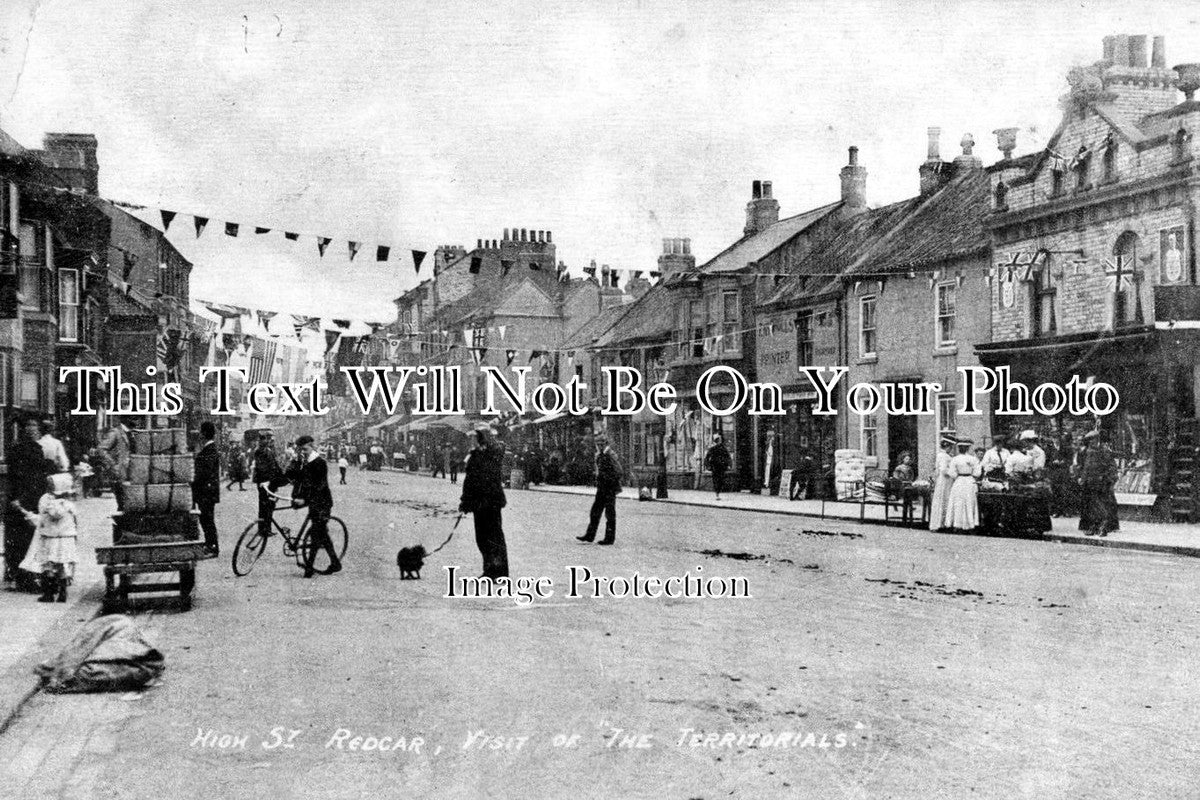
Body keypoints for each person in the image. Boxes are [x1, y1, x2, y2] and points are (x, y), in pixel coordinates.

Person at [6, 417, 55, 591]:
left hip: (28, 499)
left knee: (25, 540)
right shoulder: (22, 450)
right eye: (28, 426)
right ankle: (23, 578)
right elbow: (20, 477)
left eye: (34, 426)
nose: (32, 430)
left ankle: (23, 576)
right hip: (23, 499)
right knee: (23, 540)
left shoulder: (36, 449)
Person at [282, 435, 342, 578]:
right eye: (300, 450)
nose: (303, 452)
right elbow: (291, 476)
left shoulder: (320, 462)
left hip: (322, 503)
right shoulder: (303, 461)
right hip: (313, 503)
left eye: (305, 449)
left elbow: (319, 486)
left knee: (316, 535)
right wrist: (270, 483)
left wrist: (305, 500)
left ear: (312, 446)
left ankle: (309, 568)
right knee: (322, 535)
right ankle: (335, 563)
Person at [17, 474, 79, 603]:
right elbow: (74, 522)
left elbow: (41, 520)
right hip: (66, 538)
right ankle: (62, 592)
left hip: (50, 538)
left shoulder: (48, 503)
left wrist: (26, 513)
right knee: (62, 565)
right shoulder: (70, 505)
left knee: (48, 565)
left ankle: (48, 594)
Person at [459, 423, 509, 579]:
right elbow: (469, 480)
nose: (476, 439)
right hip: (479, 503)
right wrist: (465, 500)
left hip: (490, 502)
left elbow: (482, 477)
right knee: (482, 538)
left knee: (494, 538)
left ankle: (499, 572)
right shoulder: (477, 454)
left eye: (478, 436)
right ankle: (489, 569)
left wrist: (483, 448)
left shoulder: (492, 453)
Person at [578, 434, 622, 545]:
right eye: (598, 444)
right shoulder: (599, 455)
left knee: (610, 513)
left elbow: (619, 471)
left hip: (609, 488)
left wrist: (609, 480)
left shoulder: (610, 455)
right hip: (602, 488)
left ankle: (609, 538)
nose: (599, 446)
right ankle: (590, 535)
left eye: (601, 444)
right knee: (595, 512)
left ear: (605, 444)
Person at [1079, 429, 1120, 537]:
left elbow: (1111, 467)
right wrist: (1083, 479)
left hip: (1102, 483)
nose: (1091, 443)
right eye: (1089, 441)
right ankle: (1094, 527)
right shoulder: (1088, 452)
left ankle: (1103, 527)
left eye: (1092, 440)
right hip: (1090, 483)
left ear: (1097, 439)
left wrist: (1109, 480)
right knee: (1092, 506)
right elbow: (1086, 468)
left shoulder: (1104, 451)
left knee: (1101, 506)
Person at [193, 422, 221, 556]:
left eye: (200, 432)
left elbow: (205, 472)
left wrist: (194, 480)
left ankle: (213, 547)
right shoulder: (208, 449)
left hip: (207, 492)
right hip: (207, 492)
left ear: (204, 434)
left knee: (207, 520)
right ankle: (209, 543)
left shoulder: (209, 450)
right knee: (205, 519)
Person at [945, 438, 981, 532]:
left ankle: (957, 524)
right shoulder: (973, 459)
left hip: (959, 481)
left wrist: (957, 475)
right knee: (969, 501)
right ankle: (969, 524)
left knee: (958, 502)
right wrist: (971, 473)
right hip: (969, 481)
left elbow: (951, 473)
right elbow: (977, 473)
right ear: (968, 448)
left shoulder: (955, 459)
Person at [253, 432, 284, 536]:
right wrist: (268, 480)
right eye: (265, 439)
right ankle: (263, 529)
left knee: (270, 505)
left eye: (268, 439)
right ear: (261, 441)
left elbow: (274, 465)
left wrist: (280, 477)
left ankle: (267, 528)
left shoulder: (269, 450)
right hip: (264, 483)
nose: (268, 441)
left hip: (271, 482)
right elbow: (262, 468)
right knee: (264, 506)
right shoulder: (259, 451)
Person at [98, 422, 131, 510]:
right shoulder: (116, 432)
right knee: (123, 505)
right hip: (121, 473)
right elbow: (102, 449)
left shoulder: (132, 432)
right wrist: (113, 465)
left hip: (132, 473)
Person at [928, 437, 956, 532]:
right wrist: (954, 474)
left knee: (944, 500)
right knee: (943, 499)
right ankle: (939, 524)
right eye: (950, 447)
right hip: (945, 480)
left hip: (945, 480)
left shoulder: (943, 455)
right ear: (947, 446)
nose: (951, 449)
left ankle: (941, 524)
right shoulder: (944, 456)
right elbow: (943, 470)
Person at [704, 434, 732, 501]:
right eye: (718, 440)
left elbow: (728, 457)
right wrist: (708, 465)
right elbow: (707, 458)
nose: (719, 441)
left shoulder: (721, 448)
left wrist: (729, 464)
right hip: (716, 466)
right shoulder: (714, 448)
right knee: (717, 480)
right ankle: (717, 493)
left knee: (719, 480)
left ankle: (717, 493)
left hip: (719, 466)